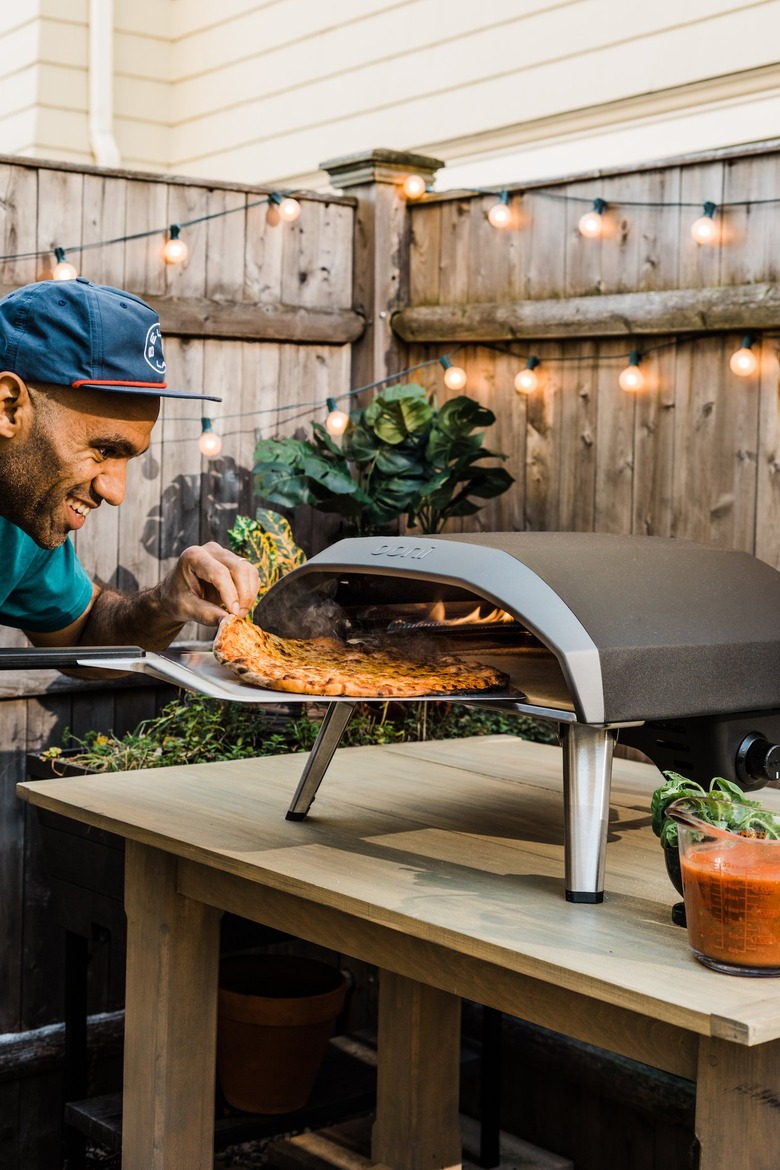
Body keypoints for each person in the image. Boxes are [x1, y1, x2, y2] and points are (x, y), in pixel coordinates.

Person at [0, 277, 259, 653]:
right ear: (8, 408)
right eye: (103, 450)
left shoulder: (20, 517)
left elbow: (84, 634)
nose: (115, 492)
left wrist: (165, 603)